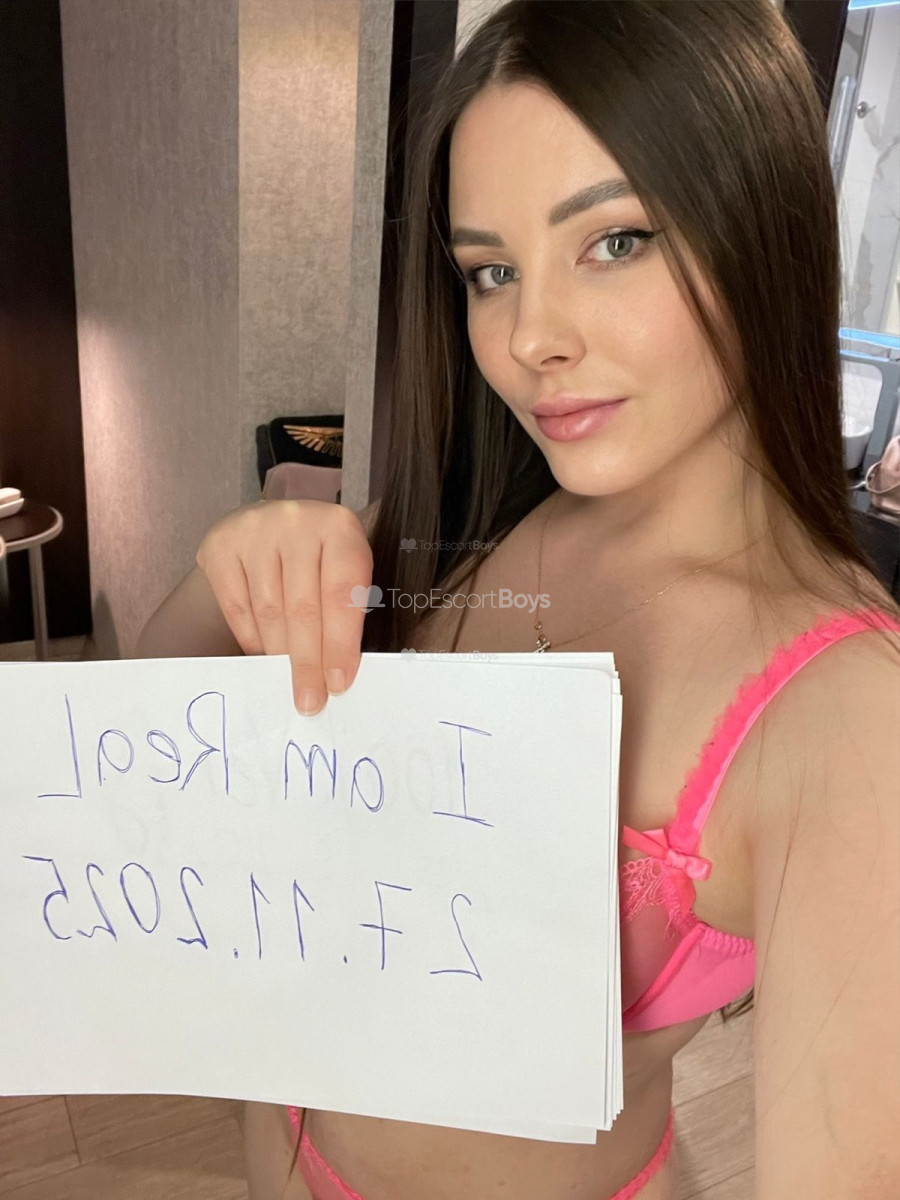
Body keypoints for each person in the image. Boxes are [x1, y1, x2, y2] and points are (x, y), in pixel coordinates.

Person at [138, 2, 900, 1196]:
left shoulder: (846, 717)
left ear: (765, 226)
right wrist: (224, 574)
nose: (530, 337)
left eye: (615, 241)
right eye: (491, 271)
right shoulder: (488, 509)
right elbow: (137, 765)